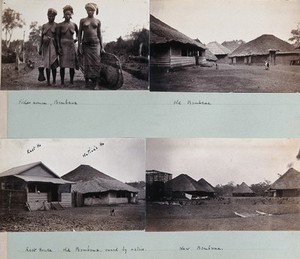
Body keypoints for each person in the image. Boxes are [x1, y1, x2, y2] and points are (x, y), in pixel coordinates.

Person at [78, 3, 105, 89]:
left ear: (94, 11)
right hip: (86, 45)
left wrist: (102, 47)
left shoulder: (98, 21)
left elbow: (100, 35)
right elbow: (79, 35)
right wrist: (79, 46)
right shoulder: (82, 20)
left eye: (92, 10)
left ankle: (96, 83)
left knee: (96, 63)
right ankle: (86, 83)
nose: (90, 11)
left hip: (96, 45)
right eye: (88, 10)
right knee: (87, 63)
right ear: (86, 10)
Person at [56, 5, 79, 87]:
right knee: (62, 65)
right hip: (62, 46)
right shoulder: (60, 25)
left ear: (71, 15)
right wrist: (58, 47)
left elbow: (78, 33)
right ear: (63, 15)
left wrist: (76, 38)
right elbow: (57, 37)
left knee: (71, 65)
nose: (67, 16)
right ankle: (62, 82)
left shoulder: (74, 25)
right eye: (66, 14)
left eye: (69, 14)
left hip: (71, 46)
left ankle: (71, 81)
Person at [39, 8, 59, 86]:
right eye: (49, 16)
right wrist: (40, 47)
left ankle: (54, 80)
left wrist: (59, 48)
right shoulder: (44, 26)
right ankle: (48, 81)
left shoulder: (56, 25)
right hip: (46, 47)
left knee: (53, 64)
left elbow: (58, 37)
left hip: (54, 46)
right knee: (47, 64)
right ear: (47, 16)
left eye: (53, 16)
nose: (51, 18)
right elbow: (41, 37)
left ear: (55, 17)